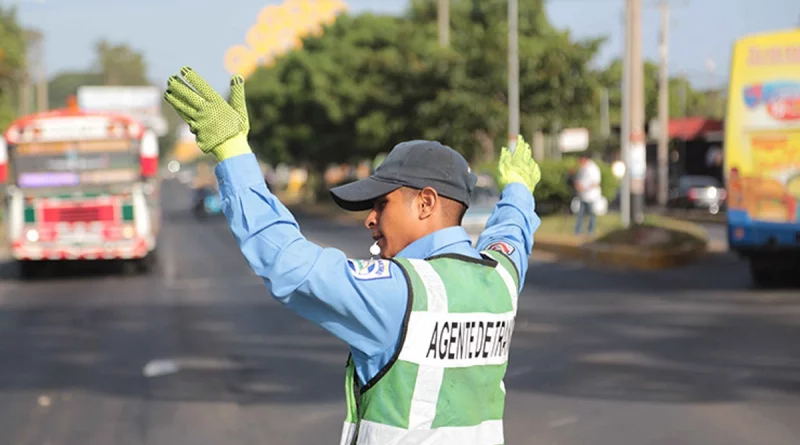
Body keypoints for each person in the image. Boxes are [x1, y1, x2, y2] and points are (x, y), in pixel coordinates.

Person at [164, 67, 542, 444]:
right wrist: (519, 191)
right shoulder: (500, 278)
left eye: (382, 204)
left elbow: (289, 263)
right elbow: (512, 234)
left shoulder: (402, 292)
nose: (371, 220)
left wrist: (232, 151)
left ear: (426, 202)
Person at [573, 156, 602, 235]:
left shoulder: (593, 169)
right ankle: (578, 231)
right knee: (580, 214)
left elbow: (596, 183)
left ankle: (590, 231)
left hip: (591, 196)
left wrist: (584, 188)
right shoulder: (582, 168)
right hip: (582, 196)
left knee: (591, 214)